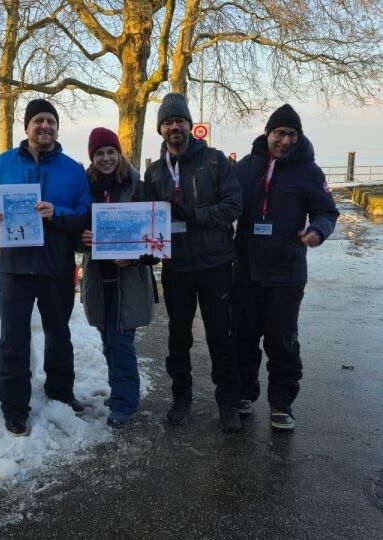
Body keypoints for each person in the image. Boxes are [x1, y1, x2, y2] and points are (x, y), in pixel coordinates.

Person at [0, 98, 91, 436]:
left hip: (55, 265)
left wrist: (55, 212)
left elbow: (84, 213)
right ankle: (14, 406)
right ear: (26, 127)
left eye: (51, 121)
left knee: (59, 334)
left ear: (57, 128)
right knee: (13, 338)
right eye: (39, 121)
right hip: (14, 266)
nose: (45, 126)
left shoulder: (72, 169)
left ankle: (60, 392)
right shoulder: (3, 163)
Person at [231, 104, 339, 431]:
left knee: (282, 342)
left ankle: (281, 404)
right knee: (243, 339)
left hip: (286, 273)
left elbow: (327, 212)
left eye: (292, 134)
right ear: (268, 134)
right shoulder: (246, 168)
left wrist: (318, 231)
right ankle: (244, 394)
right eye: (280, 133)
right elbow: (226, 203)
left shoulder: (310, 172)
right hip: (246, 270)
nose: (286, 141)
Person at [143, 93, 244, 433]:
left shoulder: (215, 162)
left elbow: (233, 206)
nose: (175, 126)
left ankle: (227, 402)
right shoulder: (154, 172)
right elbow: (147, 220)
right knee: (178, 337)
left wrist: (195, 215)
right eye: (168, 122)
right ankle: (181, 397)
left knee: (221, 336)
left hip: (215, 265)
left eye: (180, 121)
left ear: (190, 125)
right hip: (176, 269)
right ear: (161, 129)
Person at [79, 127, 156, 429]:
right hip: (99, 280)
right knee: (107, 341)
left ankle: (126, 402)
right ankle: (119, 392)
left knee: (122, 342)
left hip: (129, 281)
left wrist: (136, 255)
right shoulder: (85, 186)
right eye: (99, 153)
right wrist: (81, 238)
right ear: (92, 157)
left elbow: (155, 240)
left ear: (119, 153)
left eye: (111, 151)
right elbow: (77, 226)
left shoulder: (137, 186)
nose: (106, 158)